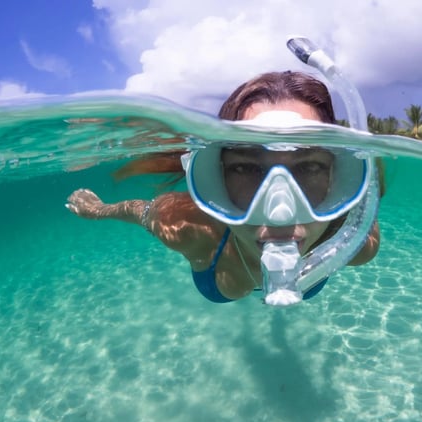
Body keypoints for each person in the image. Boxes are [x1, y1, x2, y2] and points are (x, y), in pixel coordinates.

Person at [66, 71, 381, 302]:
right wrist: (100, 210)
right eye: (245, 167)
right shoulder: (187, 226)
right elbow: (140, 212)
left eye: (310, 166)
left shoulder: (354, 240)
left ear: (339, 178)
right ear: (216, 177)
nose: (279, 211)